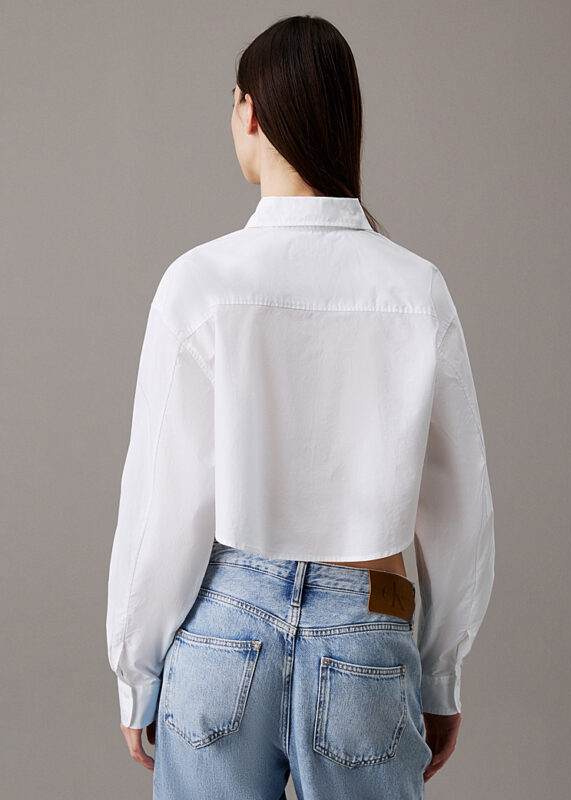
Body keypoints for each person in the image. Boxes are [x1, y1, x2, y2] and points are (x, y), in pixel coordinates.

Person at [106, 14, 495, 799]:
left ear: (249, 112)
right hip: (368, 632)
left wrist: (136, 673)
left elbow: (161, 507)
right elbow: (461, 513)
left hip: (221, 633)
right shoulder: (415, 289)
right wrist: (440, 672)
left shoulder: (200, 283)